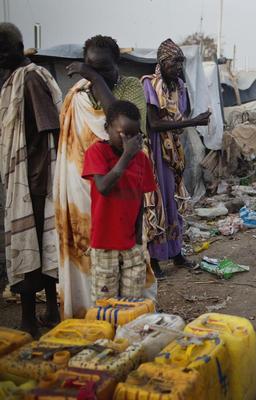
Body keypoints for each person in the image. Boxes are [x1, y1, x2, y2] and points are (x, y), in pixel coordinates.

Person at [55, 35, 156, 318]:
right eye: (91, 68)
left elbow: (117, 114)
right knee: (98, 272)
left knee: (131, 276)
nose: (96, 75)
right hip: (84, 183)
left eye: (103, 69)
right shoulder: (78, 94)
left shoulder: (131, 87)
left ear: (118, 63)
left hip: (123, 189)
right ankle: (91, 317)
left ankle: (130, 324)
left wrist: (91, 76)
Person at [0, 23, 62, 337]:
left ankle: (30, 318)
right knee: (40, 246)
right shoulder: (14, 79)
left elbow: (49, 127)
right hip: (26, 177)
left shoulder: (31, 77)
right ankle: (50, 310)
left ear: (14, 48)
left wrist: (36, 176)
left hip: (34, 180)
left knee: (32, 247)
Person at [141, 39, 210, 278]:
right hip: (155, 152)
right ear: (162, 63)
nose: (179, 68)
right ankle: (155, 259)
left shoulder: (179, 86)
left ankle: (176, 252)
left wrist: (193, 119)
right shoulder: (150, 85)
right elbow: (154, 123)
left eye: (181, 63)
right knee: (158, 201)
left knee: (174, 201)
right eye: (174, 63)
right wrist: (194, 122)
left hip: (174, 151)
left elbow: (182, 113)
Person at [82, 101, 156, 301]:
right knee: (106, 304)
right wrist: (126, 156)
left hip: (131, 243)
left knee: (132, 302)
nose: (129, 140)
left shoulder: (141, 160)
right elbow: (104, 187)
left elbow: (140, 199)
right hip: (104, 242)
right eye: (124, 134)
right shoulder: (96, 153)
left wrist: (139, 240)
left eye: (134, 135)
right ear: (107, 129)